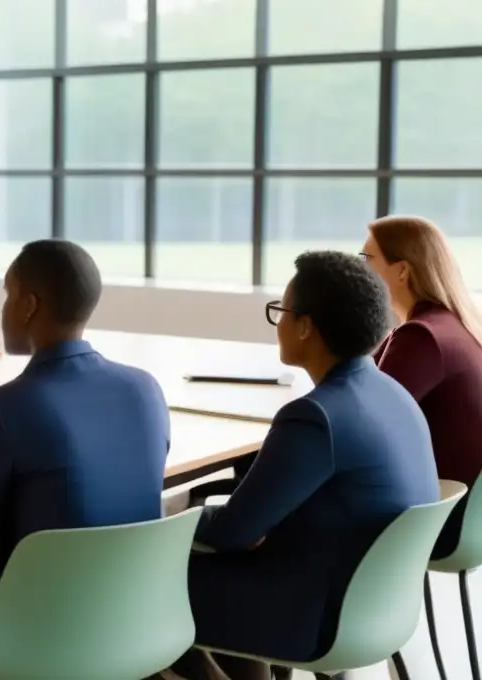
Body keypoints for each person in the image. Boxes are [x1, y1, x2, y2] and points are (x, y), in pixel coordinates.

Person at [0, 239, 172, 679]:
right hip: (136, 616)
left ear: (29, 306)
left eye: (9, 296)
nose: (4, 309)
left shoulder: (1, 409)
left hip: (43, 634)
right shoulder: (146, 389)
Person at [171, 251, 439, 680]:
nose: (278, 323)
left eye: (281, 311)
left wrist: (163, 521)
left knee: (135, 591)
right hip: (373, 608)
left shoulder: (316, 417)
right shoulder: (394, 396)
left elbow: (231, 532)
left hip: (312, 617)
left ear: (306, 326)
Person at [362, 215, 482, 558]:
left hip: (434, 521)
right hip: (465, 516)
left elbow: (362, 423)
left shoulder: (421, 337)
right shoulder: (454, 326)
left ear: (402, 271)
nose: (357, 271)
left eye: (366, 259)